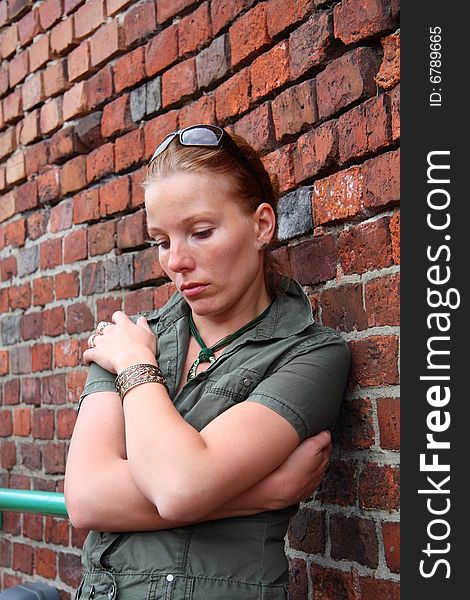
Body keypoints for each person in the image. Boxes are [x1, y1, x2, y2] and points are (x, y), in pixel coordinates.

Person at [64, 124, 351, 600]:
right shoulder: (130, 336)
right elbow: (87, 498)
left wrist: (136, 367)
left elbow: (179, 487)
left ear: (262, 225)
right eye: (161, 240)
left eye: (200, 233)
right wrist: (265, 493)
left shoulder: (310, 354)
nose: (176, 260)